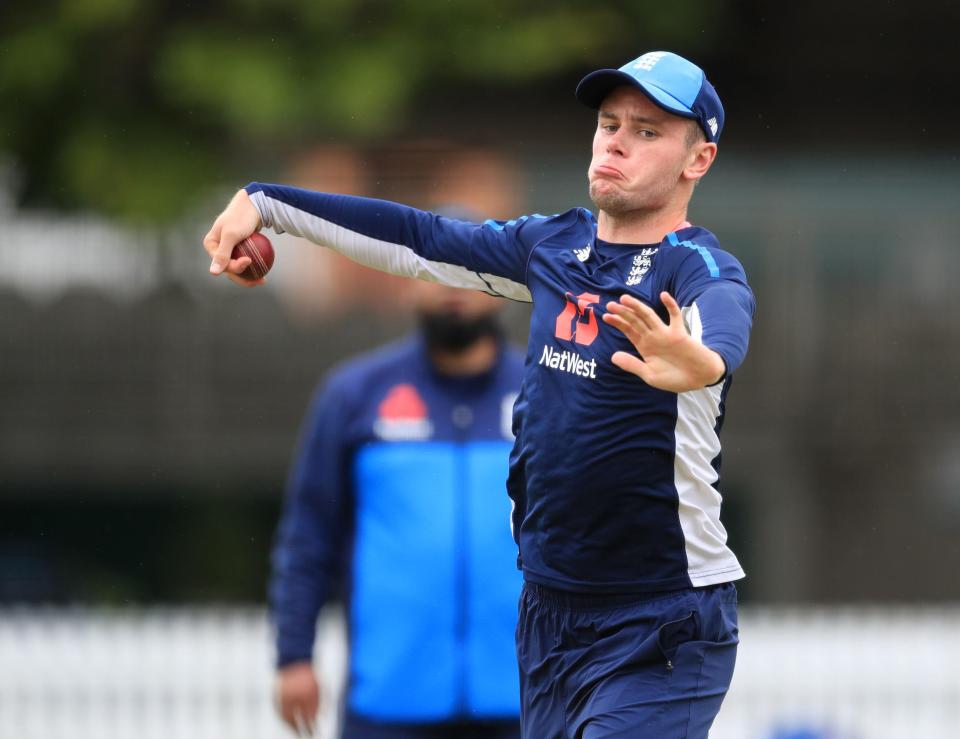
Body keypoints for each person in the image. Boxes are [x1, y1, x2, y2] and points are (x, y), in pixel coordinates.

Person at [206, 50, 755, 738]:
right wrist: (267, 205)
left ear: (696, 161)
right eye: (609, 123)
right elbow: (418, 239)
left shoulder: (694, 265)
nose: (616, 139)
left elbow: (722, 321)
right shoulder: (552, 247)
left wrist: (700, 362)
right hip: (550, 614)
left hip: (661, 617)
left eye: (647, 132)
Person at [269, 277, 525, 739]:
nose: (454, 287)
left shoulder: (546, 392)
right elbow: (309, 535)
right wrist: (293, 656)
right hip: (389, 703)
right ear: (409, 287)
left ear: (501, 288)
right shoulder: (353, 394)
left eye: (471, 273)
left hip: (529, 703)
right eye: (437, 273)